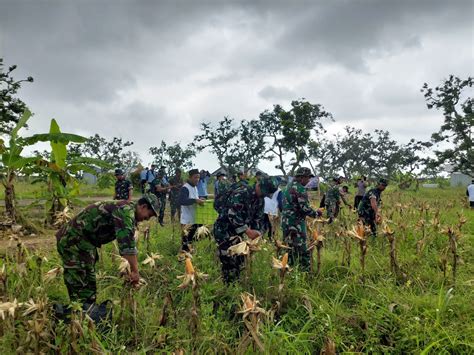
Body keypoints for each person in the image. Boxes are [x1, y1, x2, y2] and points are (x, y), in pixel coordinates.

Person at [56, 194, 159, 304]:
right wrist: (135, 273)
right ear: (143, 207)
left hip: (85, 242)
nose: (148, 218)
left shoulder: (128, 210)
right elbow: (127, 247)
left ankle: (87, 311)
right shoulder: (125, 211)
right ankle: (77, 312)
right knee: (79, 281)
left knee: (89, 281)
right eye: (150, 214)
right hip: (73, 240)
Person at [213, 176, 278, 283]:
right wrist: (247, 231)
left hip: (238, 233)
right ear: (258, 185)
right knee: (228, 260)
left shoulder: (260, 200)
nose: (263, 195)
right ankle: (228, 288)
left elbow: (258, 218)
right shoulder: (241, 193)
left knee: (240, 260)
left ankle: (236, 283)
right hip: (224, 230)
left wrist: (258, 231)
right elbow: (233, 214)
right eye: (263, 192)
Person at [281, 167, 322, 271]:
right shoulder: (300, 189)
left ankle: (288, 270)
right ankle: (306, 274)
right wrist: (316, 213)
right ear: (302, 177)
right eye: (308, 178)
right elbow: (304, 209)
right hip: (296, 224)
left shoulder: (287, 187)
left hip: (286, 222)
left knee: (289, 248)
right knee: (302, 250)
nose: (308, 181)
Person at [179, 169, 205, 251]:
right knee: (185, 244)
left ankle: (190, 256)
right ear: (190, 177)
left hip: (194, 218)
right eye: (195, 177)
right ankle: (183, 259)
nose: (197, 179)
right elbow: (182, 201)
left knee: (193, 240)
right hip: (187, 220)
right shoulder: (185, 188)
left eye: (198, 177)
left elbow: (194, 199)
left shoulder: (195, 187)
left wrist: (199, 199)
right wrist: (195, 200)